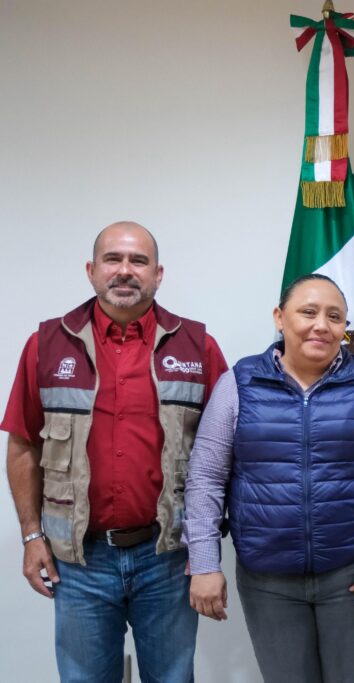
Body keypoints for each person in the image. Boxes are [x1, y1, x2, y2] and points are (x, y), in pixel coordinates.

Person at [2, 221, 227, 682]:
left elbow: (225, 455)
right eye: (113, 259)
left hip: (167, 557)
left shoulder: (198, 347)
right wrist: (31, 537)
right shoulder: (46, 345)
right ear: (91, 270)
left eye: (138, 261)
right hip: (79, 563)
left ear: (158, 274)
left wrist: (207, 553)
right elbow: (24, 444)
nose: (125, 271)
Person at [183, 273, 354, 683]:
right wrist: (203, 563)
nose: (321, 325)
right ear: (279, 317)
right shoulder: (239, 383)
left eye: (335, 316)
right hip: (267, 581)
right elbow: (205, 477)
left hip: (353, 576)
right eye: (308, 312)